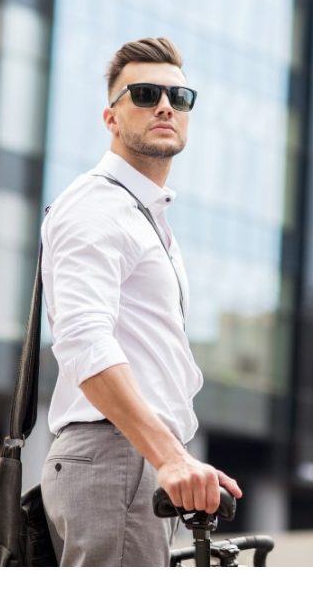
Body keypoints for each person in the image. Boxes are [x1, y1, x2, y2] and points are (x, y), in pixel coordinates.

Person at [39, 37, 242, 566]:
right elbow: (83, 341)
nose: (166, 106)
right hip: (117, 458)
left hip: (132, 459)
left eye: (179, 97)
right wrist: (168, 456)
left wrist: (173, 456)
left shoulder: (142, 214)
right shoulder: (98, 206)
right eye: (146, 94)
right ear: (111, 117)